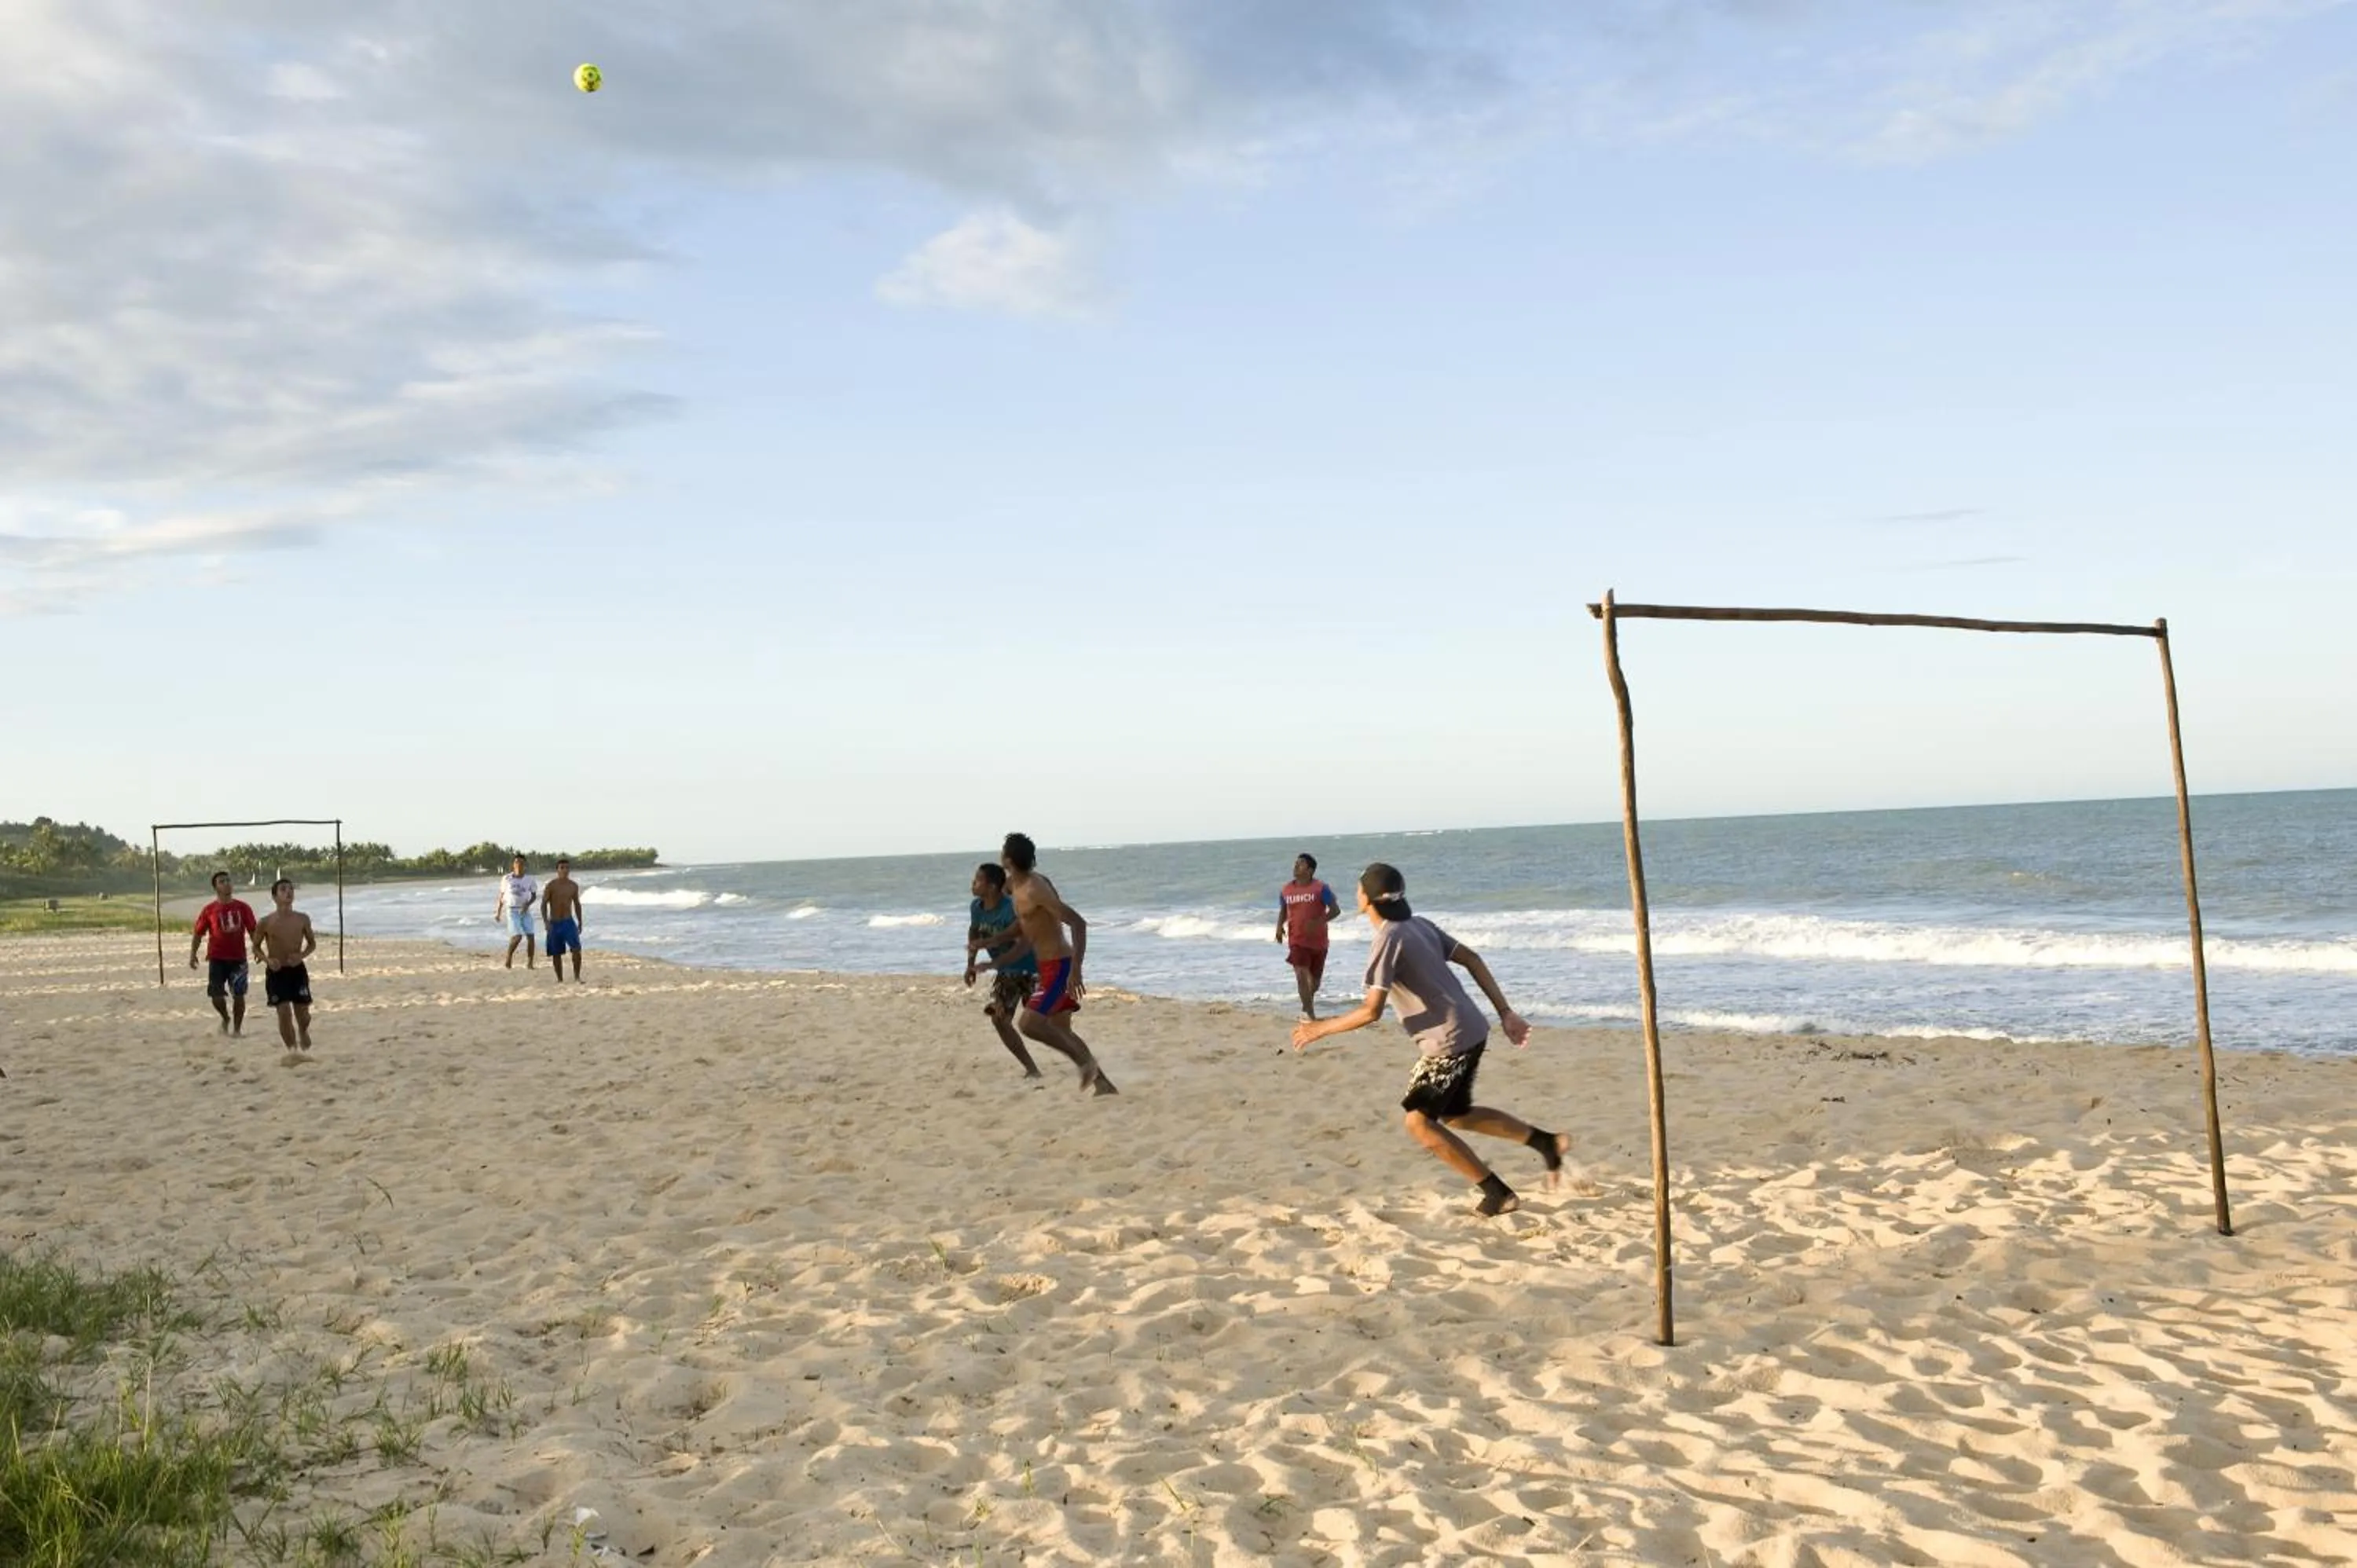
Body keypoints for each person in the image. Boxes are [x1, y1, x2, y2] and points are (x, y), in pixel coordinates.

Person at [1292, 863, 1570, 1217]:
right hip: (1471, 1030)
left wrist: (1320, 1028)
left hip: (1449, 1042)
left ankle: (1498, 1194)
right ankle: (1546, 1143)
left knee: (1419, 1123)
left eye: (1359, 888)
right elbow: (1472, 958)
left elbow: (1371, 1010)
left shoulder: (1388, 938)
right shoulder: (1417, 925)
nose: (1356, 893)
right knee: (1455, 1114)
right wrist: (1505, 1012)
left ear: (1367, 901)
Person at [994, 832, 1117, 1095]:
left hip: (1060, 966)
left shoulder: (1036, 888)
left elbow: (1077, 922)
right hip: (1045, 965)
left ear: (1008, 858)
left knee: (1029, 1024)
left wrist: (1075, 969)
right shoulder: (1012, 884)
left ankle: (1086, 1065)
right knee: (1063, 1031)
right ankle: (1104, 1085)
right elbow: (1000, 897)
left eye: (1003, 850)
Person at [962, 863, 1043, 1079]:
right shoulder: (976, 907)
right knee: (999, 1020)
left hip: (1031, 968)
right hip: (1007, 971)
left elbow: (1023, 940)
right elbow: (974, 932)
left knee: (1043, 1023)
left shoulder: (1012, 908)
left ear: (992, 886)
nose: (973, 883)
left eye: (978, 880)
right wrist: (971, 963)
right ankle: (1032, 1069)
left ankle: (1080, 1055)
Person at [188, 870, 259, 1036]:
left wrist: (257, 948)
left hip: (238, 959)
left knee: (239, 996)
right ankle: (225, 1017)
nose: (227, 883)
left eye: (228, 880)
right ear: (216, 887)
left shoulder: (243, 907)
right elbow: (198, 933)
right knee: (216, 996)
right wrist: (193, 954)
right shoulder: (209, 910)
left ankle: (237, 1030)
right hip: (217, 958)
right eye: (222, 881)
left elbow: (253, 930)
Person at [1274, 852, 1341, 1020]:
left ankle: (1306, 1005)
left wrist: (1319, 922)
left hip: (1319, 942)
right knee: (1301, 975)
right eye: (1295, 863)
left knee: (1314, 983)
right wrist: (1278, 927)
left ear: (1310, 870)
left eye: (1301, 864)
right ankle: (1309, 1014)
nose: (1296, 866)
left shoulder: (1321, 888)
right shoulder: (1286, 889)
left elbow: (1335, 910)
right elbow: (1284, 909)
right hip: (1297, 940)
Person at [255, 878, 317, 1054]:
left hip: (297, 971)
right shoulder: (265, 922)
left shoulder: (302, 919)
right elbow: (255, 946)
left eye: (291, 889)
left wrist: (301, 956)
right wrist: (267, 960)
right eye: (283, 890)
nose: (288, 892)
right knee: (283, 1013)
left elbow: (312, 944)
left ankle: (303, 1030)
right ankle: (292, 1051)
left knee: (303, 1014)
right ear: (275, 897)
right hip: (276, 971)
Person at [542, 857, 585, 984]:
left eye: (567, 868)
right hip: (554, 923)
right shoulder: (551, 885)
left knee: (576, 949)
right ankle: (560, 979)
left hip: (568, 922)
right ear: (557, 870)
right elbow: (543, 904)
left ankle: (577, 977)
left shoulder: (573, 886)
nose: (565, 870)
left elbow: (577, 904)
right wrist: (546, 921)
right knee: (556, 953)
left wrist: (580, 921)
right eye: (562, 868)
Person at [494, 854, 539, 969]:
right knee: (518, 936)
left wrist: (527, 904)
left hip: (525, 910)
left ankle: (530, 963)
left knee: (531, 936)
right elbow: (502, 896)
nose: (519, 865)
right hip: (512, 910)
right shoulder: (507, 879)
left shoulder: (529, 880)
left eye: (521, 863)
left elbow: (534, 896)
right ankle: (509, 957)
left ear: (525, 865)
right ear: (513, 865)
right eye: (517, 862)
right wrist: (498, 912)